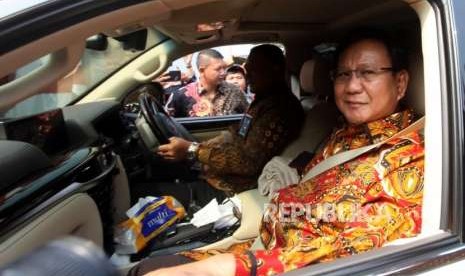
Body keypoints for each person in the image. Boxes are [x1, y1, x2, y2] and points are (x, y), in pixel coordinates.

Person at [130, 30, 424, 276]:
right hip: (268, 239)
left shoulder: (408, 159)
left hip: (289, 265)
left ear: (400, 83)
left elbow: (357, 249)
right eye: (343, 74)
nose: (352, 86)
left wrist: (230, 267)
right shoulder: (343, 130)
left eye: (368, 73)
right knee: (144, 268)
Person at [157, 44, 304, 207]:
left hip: (235, 189)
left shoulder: (280, 109)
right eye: (248, 70)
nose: (248, 77)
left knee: (153, 192)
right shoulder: (263, 100)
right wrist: (200, 149)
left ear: (275, 70)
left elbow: (248, 163)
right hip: (219, 175)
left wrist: (192, 150)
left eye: (255, 70)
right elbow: (237, 134)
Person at [165, 49, 248, 117]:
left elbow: (248, 118)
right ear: (201, 70)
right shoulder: (180, 96)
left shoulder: (235, 92)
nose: (223, 73)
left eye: (224, 68)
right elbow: (169, 127)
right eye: (218, 69)